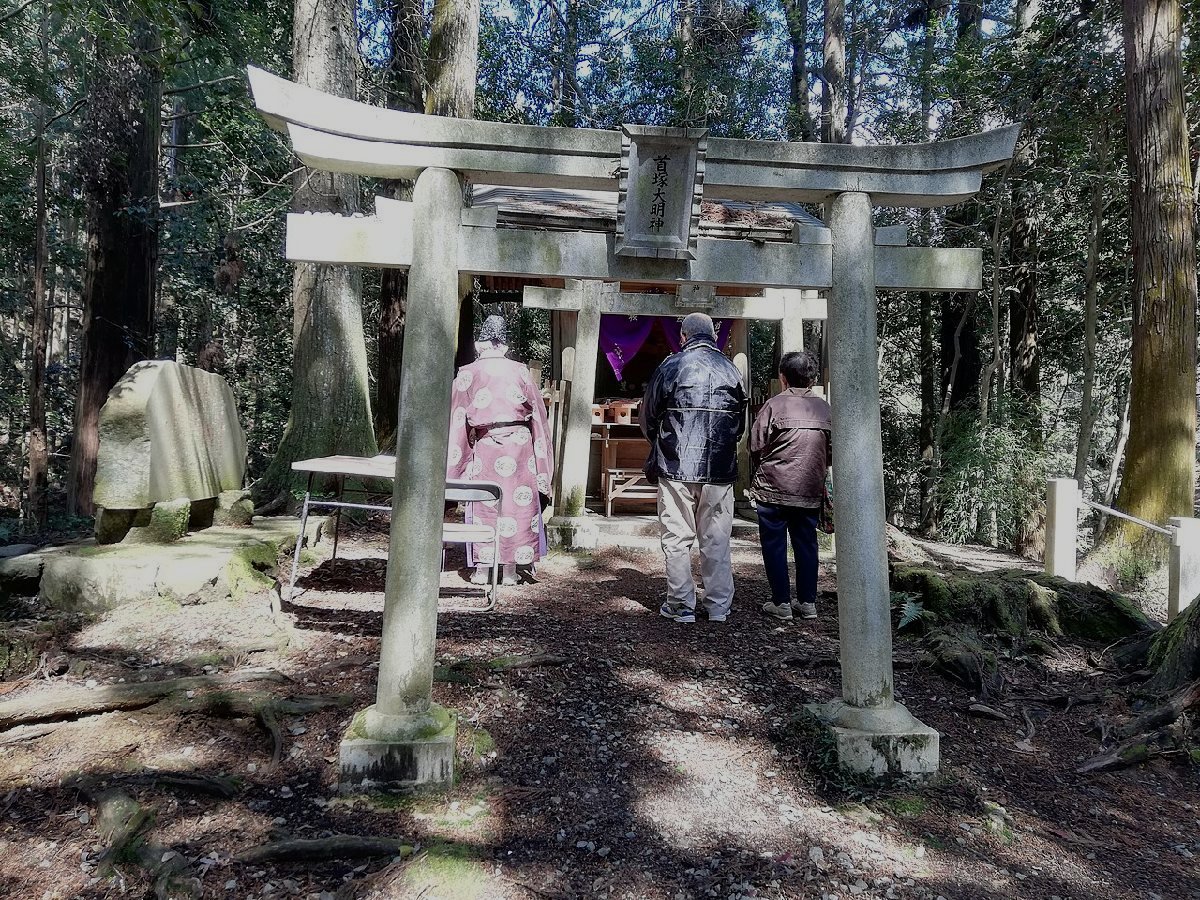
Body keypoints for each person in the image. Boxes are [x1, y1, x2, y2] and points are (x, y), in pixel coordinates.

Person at [641, 312, 747, 623]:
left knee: (677, 536)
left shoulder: (671, 366)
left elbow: (648, 416)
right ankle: (718, 606)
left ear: (683, 337)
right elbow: (739, 425)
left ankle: (681, 604)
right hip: (720, 467)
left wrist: (660, 442)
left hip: (676, 463)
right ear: (713, 336)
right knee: (716, 538)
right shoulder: (731, 370)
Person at [446, 315, 555, 585]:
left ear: (480, 343)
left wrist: (455, 467)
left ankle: (483, 569)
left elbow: (457, 419)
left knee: (485, 502)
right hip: (520, 446)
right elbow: (538, 417)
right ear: (504, 345)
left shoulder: (467, 373)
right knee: (517, 504)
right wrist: (543, 463)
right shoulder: (521, 371)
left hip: (485, 444)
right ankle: (510, 571)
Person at [748, 350, 832, 621]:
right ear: (813, 379)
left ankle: (781, 602)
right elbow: (832, 451)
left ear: (782, 377)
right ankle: (807, 601)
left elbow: (755, 445)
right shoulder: (825, 409)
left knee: (774, 545)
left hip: (773, 486)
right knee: (807, 543)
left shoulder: (774, 405)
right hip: (809, 489)